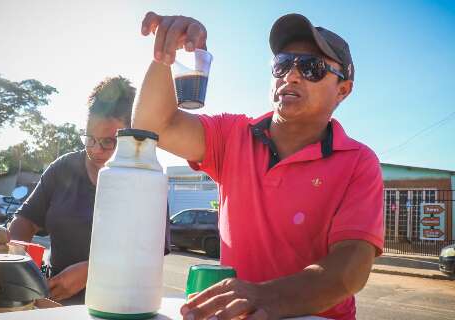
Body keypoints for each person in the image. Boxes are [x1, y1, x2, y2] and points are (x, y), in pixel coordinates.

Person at [133, 12, 384, 320]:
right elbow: (151, 125)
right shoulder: (231, 136)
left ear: (343, 90)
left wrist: (264, 296)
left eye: (312, 68)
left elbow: (349, 269)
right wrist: (167, 55)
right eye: (283, 63)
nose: (291, 76)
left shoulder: (358, 161)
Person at [9, 76, 171, 305]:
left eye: (108, 142)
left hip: (121, 306)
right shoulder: (63, 168)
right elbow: (24, 221)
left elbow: (151, 256)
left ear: (131, 135)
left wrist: (91, 270)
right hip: (55, 306)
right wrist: (17, 260)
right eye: (90, 139)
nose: (95, 150)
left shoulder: (147, 179)